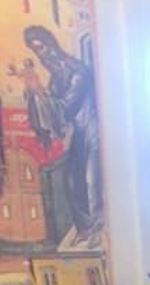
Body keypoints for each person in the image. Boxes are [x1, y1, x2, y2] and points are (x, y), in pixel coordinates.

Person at [24, 25, 102, 248]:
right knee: (70, 181)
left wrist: (40, 93)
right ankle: (84, 228)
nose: (41, 55)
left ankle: (97, 228)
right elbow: (55, 117)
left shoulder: (77, 71)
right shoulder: (55, 78)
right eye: (36, 51)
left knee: (91, 181)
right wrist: (35, 95)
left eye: (42, 48)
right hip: (77, 134)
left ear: (51, 45)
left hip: (92, 131)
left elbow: (65, 107)